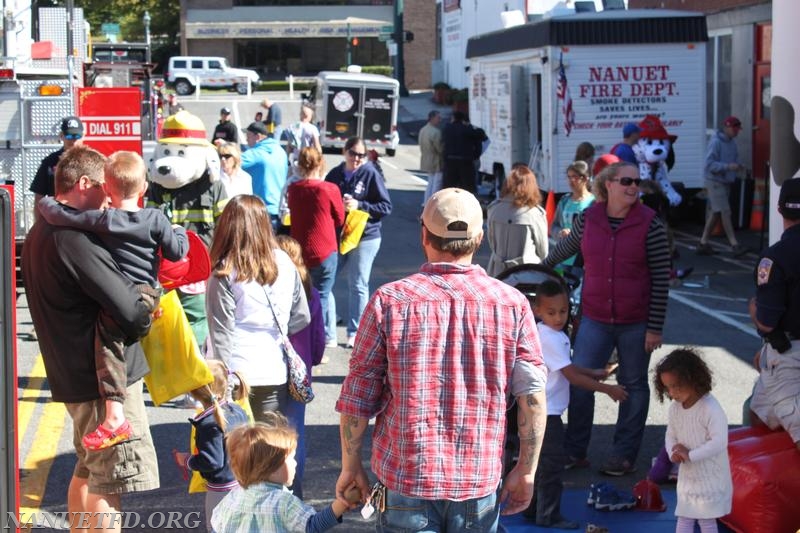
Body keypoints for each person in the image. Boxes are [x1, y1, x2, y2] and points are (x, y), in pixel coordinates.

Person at [335, 188, 548, 530]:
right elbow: (533, 398)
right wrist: (526, 470)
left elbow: (358, 394)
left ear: (423, 234)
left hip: (406, 477)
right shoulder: (512, 304)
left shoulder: (389, 302)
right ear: (480, 238)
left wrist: (350, 464)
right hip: (477, 481)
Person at [22, 145, 158, 531]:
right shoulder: (73, 239)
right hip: (101, 380)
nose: (111, 198)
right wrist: (149, 300)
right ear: (84, 183)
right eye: (105, 187)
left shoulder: (43, 229)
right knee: (108, 479)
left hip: (74, 375)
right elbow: (130, 310)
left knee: (87, 467)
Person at [37, 150, 189, 451]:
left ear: (106, 188)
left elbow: (65, 214)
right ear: (144, 188)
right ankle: (121, 411)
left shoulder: (104, 221)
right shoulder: (155, 219)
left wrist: (45, 203)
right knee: (118, 341)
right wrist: (179, 231)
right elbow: (176, 253)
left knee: (107, 345)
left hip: (127, 294)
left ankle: (115, 414)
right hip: (147, 292)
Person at [544, 162, 671, 476]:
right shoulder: (590, 218)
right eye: (627, 181)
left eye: (637, 182)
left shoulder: (650, 224)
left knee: (634, 387)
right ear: (608, 185)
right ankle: (575, 451)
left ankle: (623, 455)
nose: (633, 187)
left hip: (636, 321)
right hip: (595, 318)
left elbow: (661, 279)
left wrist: (654, 328)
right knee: (581, 383)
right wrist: (540, 269)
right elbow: (566, 249)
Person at [524, 280, 627, 529]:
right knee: (552, 466)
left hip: (538, 410)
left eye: (563, 311)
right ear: (538, 310)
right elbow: (571, 376)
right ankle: (548, 515)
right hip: (547, 414)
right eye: (551, 312)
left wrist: (592, 372)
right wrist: (608, 389)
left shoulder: (544, 331)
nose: (558, 317)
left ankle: (533, 509)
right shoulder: (552, 338)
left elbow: (566, 367)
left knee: (540, 464)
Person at [206, 194, 310, 421]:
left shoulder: (225, 271)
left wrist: (220, 382)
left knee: (235, 449)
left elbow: (221, 332)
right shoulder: (284, 262)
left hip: (236, 373)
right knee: (269, 448)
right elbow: (302, 315)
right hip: (274, 368)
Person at [211, 415, 359, 532]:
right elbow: (312, 526)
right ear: (273, 468)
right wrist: (343, 502)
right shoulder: (283, 503)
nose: (295, 463)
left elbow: (216, 528)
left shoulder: (232, 498)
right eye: (290, 458)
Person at [653, 348, 732, 533]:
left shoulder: (710, 408)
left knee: (706, 520)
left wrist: (690, 455)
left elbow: (719, 441)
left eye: (677, 386)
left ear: (693, 379)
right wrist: (673, 451)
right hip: (689, 476)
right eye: (668, 387)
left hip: (710, 476)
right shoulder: (675, 408)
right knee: (685, 516)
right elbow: (670, 433)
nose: (672, 393)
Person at [325, 136, 392, 348]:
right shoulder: (334, 175)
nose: (357, 159)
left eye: (361, 155)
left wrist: (359, 205)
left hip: (366, 236)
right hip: (341, 235)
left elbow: (385, 207)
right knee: (327, 283)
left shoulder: (370, 173)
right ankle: (329, 333)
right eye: (353, 153)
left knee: (358, 283)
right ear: (344, 152)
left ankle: (355, 332)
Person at [748, 177, 800, 451]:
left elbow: (767, 323)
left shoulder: (775, 258)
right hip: (780, 352)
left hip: (789, 355)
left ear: (780, 210)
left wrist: (754, 311)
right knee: (758, 408)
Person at [172, 360, 250, 533]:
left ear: (194, 391)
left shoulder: (209, 424)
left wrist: (187, 461)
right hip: (243, 483)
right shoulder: (237, 410)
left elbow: (212, 461)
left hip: (221, 489)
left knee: (216, 528)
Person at [275, 235, 326, 499]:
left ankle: (267, 489)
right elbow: (319, 336)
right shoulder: (310, 291)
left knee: (269, 430)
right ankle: (294, 490)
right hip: (300, 372)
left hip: (272, 367)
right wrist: (313, 358)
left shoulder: (272, 288)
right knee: (295, 434)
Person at [288, 147, 345, 348]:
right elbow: (339, 218)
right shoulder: (329, 189)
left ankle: (304, 339)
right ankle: (316, 342)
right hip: (325, 250)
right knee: (321, 295)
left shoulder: (293, 189)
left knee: (302, 295)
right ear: (321, 163)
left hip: (299, 250)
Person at [697, 116, 748, 257]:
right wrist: (727, 167)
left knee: (716, 212)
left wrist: (738, 166)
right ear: (727, 128)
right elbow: (709, 164)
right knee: (725, 211)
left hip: (725, 181)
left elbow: (734, 158)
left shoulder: (732, 143)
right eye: (734, 129)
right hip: (715, 181)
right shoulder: (716, 142)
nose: (737, 132)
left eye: (738, 129)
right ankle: (734, 244)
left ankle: (703, 242)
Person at [486, 165, 548, 277]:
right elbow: (543, 251)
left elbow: (492, 242)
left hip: (498, 271)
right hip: (527, 272)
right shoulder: (534, 213)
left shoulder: (494, 209)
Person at [29, 116, 84, 221]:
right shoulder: (50, 162)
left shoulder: (92, 161)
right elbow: (39, 196)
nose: (73, 141)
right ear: (61, 136)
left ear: (83, 136)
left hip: (83, 218)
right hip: (57, 219)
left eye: (76, 136)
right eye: (69, 136)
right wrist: (39, 225)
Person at [240, 121, 289, 229]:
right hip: (279, 209)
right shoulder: (281, 151)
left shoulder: (256, 153)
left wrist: (224, 147)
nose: (246, 140)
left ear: (257, 137)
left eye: (248, 136)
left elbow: (232, 161)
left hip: (261, 210)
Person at [550, 160, 594, 266]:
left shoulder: (593, 202)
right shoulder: (564, 200)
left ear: (585, 178)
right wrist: (560, 232)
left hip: (582, 259)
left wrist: (576, 235)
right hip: (563, 258)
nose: (571, 181)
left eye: (575, 177)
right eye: (569, 177)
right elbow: (554, 226)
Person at [442, 111, 481, 193]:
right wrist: (475, 156)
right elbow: (480, 137)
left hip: (450, 161)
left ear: (453, 118)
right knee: (466, 187)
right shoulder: (468, 130)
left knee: (449, 187)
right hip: (465, 161)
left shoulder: (447, 128)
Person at [285, 105, 322, 171]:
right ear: (309, 116)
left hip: (296, 158)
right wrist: (320, 159)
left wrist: (286, 159)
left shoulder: (292, 127)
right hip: (308, 158)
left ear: (301, 114)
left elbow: (289, 146)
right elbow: (317, 146)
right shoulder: (313, 129)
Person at [419, 110, 443, 203]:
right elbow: (440, 148)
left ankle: (426, 203)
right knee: (436, 184)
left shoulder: (423, 130)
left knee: (430, 183)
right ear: (432, 118)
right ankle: (432, 204)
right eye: (438, 118)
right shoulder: (436, 132)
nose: (440, 120)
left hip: (426, 159)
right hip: (436, 161)